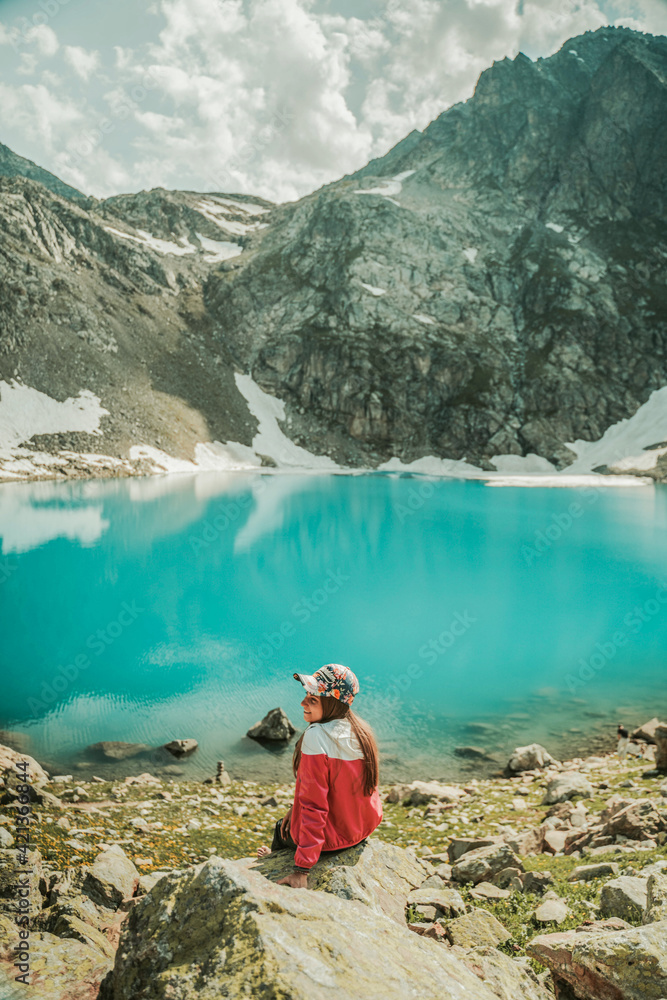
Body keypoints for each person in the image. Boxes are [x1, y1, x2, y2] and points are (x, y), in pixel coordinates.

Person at [256, 663, 383, 889]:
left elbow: (314, 806)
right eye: (306, 695)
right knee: (293, 816)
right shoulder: (362, 731)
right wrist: (294, 809)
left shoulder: (317, 736)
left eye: (312, 699)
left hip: (333, 842)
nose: (303, 703)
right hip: (361, 831)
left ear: (332, 704)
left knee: (280, 828)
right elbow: (346, 790)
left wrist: (301, 870)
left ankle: (273, 859)